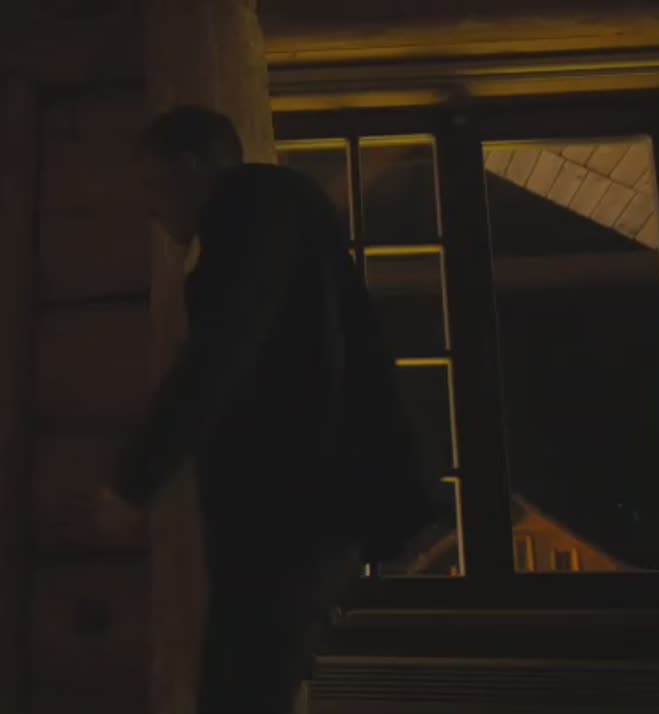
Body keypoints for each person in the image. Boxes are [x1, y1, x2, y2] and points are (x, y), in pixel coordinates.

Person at [108, 105, 437, 714]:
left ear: (191, 167)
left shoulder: (249, 208)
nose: (150, 208)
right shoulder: (283, 215)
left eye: (153, 185)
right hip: (304, 506)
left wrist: (135, 479)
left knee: (242, 691)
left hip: (291, 508)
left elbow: (223, 349)